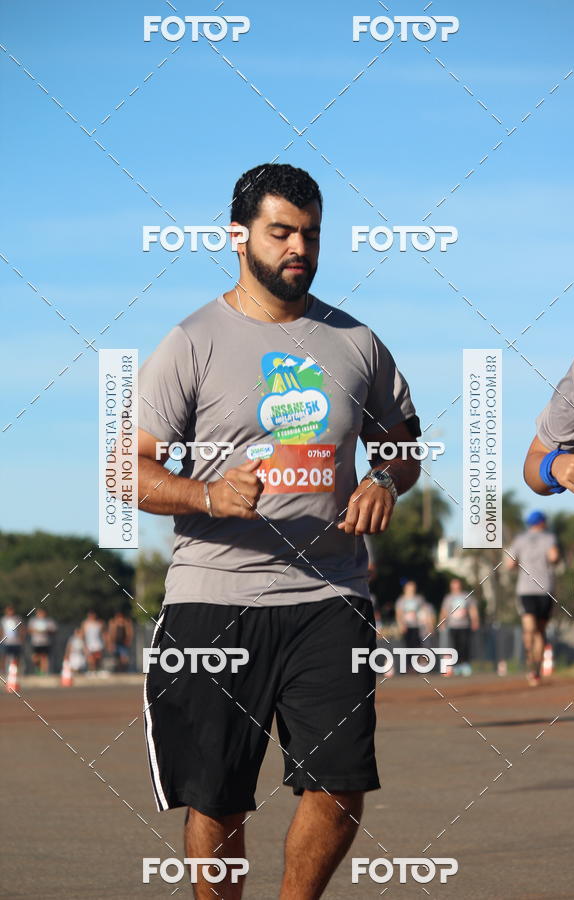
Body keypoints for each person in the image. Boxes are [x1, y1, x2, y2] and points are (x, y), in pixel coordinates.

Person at [138, 163, 421, 899]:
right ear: (239, 237)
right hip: (214, 595)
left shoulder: (356, 342)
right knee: (219, 797)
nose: (300, 246)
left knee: (339, 784)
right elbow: (128, 472)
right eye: (282, 231)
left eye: (312, 233)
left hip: (331, 594)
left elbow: (404, 443)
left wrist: (383, 479)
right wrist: (204, 491)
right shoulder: (192, 341)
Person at [523, 348, 574, 670]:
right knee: (531, 627)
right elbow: (535, 461)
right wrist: (554, 465)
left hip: (543, 588)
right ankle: (534, 666)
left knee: (536, 627)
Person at [506, 511, 560, 686]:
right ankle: (535, 668)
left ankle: (532, 666)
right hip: (545, 590)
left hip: (526, 590)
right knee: (539, 631)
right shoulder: (549, 538)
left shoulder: (520, 539)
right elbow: (554, 557)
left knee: (529, 629)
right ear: (543, 522)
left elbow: (509, 564)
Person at [439, 579, 479, 676]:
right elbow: (444, 611)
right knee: (455, 646)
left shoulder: (466, 596)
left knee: (464, 645)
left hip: (464, 625)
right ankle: (456, 665)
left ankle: (465, 664)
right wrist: (442, 622)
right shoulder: (448, 598)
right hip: (452, 626)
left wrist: (475, 621)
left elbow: (472, 609)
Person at [395, 580, 425, 656]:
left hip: (417, 626)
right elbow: (399, 614)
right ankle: (408, 665)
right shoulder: (401, 600)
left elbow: (423, 612)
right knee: (407, 647)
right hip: (406, 627)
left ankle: (416, 664)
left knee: (417, 646)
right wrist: (401, 625)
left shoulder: (419, 599)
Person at [27, 608, 57, 674]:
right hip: (36, 642)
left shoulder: (49, 621)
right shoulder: (33, 621)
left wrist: (46, 631)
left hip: (45, 642)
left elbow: (54, 630)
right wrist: (36, 631)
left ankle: (44, 672)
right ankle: (38, 668)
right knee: (35, 658)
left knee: (44, 657)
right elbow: (29, 630)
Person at [1, 605, 24, 674]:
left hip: (16, 642)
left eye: (11, 610)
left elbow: (21, 629)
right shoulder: (3, 619)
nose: (10, 612)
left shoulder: (17, 619)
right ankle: (3, 671)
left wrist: (21, 638)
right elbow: (1, 630)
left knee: (17, 657)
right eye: (8, 611)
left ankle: (17, 671)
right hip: (6, 642)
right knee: (3, 657)